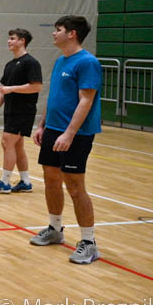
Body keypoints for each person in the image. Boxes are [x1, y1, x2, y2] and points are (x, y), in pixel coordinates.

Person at [29, 15, 102, 264]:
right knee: (51, 179)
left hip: (76, 134)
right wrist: (43, 124)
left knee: (75, 186)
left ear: (72, 34)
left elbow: (86, 100)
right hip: (53, 129)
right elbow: (55, 96)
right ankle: (55, 229)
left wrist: (69, 133)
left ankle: (89, 243)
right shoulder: (61, 60)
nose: (53, 33)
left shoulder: (87, 62)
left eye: (58, 29)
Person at [0, 29, 43, 194]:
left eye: (12, 38)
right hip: (11, 109)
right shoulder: (10, 65)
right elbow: (3, 89)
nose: (8, 41)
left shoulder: (31, 62)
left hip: (23, 110)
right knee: (17, 146)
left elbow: (36, 86)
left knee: (6, 142)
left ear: (22, 41)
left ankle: (4, 182)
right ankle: (25, 181)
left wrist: (12, 89)